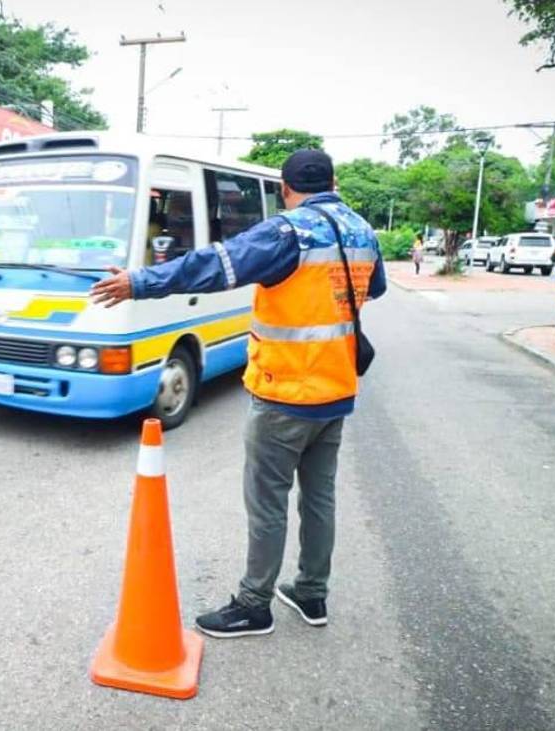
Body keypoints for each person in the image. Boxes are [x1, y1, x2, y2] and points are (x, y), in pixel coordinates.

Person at [90, 150, 387, 638]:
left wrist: (138, 282)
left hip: (284, 392)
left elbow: (213, 266)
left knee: (268, 501)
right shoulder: (362, 232)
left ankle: (254, 605)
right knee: (319, 497)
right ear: (333, 181)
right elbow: (372, 289)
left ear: (287, 189)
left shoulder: (288, 231)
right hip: (336, 389)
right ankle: (312, 594)